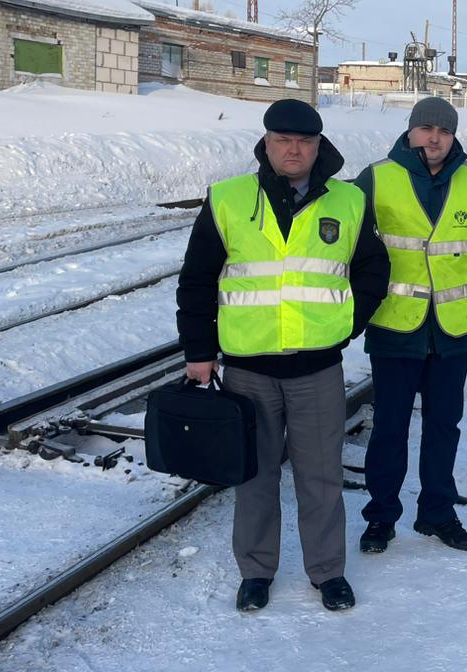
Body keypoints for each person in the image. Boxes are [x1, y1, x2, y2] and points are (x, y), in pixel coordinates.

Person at [176, 98, 389, 614]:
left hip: (316, 369)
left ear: (319, 146)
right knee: (254, 477)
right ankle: (256, 571)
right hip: (248, 371)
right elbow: (197, 280)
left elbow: (373, 271)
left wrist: (345, 322)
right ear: (266, 143)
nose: (294, 150)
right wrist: (199, 352)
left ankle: (327, 573)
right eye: (283, 140)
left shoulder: (349, 201)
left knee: (321, 478)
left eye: (305, 141)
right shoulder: (228, 199)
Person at [355, 96, 467, 555]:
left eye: (444, 130)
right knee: (390, 428)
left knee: (443, 426)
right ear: (411, 130)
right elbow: (355, 245)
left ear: (453, 136)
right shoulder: (378, 177)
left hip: (452, 329)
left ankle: (437, 513)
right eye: (426, 129)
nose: (434, 138)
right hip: (396, 327)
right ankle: (381, 517)